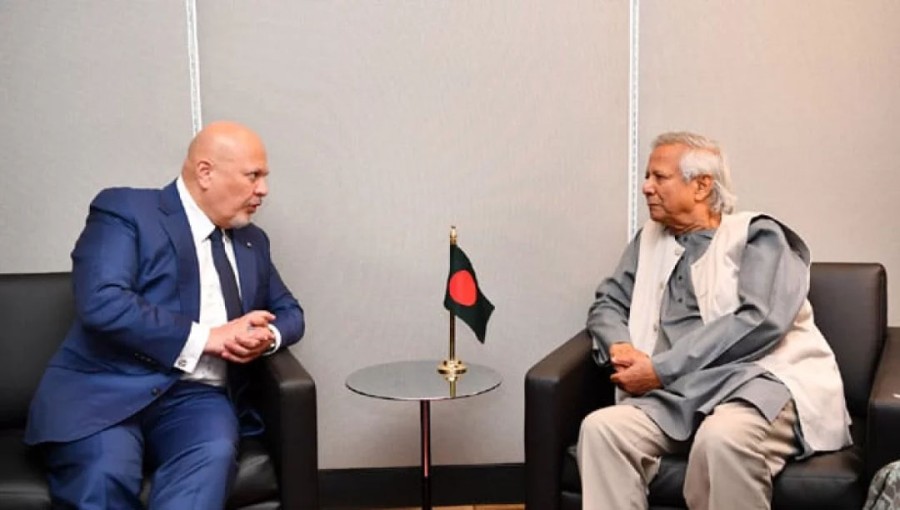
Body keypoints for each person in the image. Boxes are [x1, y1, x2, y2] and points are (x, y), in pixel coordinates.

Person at [25, 121, 305, 509]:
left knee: (214, 454)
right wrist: (209, 337)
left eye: (264, 177)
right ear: (206, 172)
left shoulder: (252, 242)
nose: (263, 190)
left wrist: (265, 338)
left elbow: (290, 312)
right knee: (105, 473)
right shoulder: (127, 210)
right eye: (253, 176)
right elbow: (102, 301)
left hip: (197, 398)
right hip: (107, 389)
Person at [578, 131, 851, 510]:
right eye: (647, 176)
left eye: (659, 177)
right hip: (677, 395)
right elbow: (608, 303)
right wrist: (618, 344)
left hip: (756, 382)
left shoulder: (759, 236)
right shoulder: (648, 241)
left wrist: (660, 369)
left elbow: (760, 321)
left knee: (722, 438)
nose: (646, 188)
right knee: (602, 430)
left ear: (702, 185)